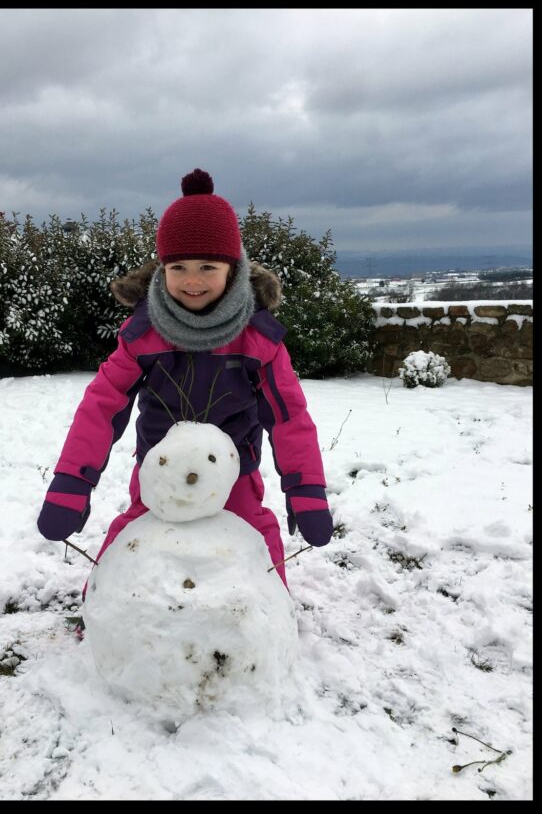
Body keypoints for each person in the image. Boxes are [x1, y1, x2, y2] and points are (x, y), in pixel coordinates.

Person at [37, 168, 333, 618]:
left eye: (207, 267)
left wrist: (306, 489)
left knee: (250, 534)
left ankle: (271, 616)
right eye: (178, 267)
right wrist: (72, 483)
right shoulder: (142, 335)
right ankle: (106, 611)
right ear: (162, 268)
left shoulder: (259, 340)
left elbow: (289, 416)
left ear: (232, 268)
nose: (192, 280)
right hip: (159, 469)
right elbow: (102, 404)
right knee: (134, 533)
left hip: (235, 474)